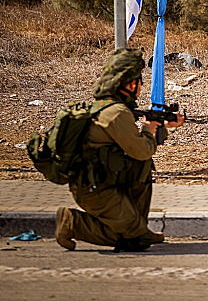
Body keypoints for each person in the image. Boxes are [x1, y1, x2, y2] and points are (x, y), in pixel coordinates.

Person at [55, 48, 184, 252]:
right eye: (139, 80)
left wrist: (164, 128)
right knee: (134, 241)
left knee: (141, 168)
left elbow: (134, 149)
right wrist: (149, 130)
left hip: (103, 183)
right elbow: (142, 149)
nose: (141, 85)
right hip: (96, 189)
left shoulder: (110, 107)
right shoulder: (116, 113)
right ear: (131, 84)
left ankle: (137, 227)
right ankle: (72, 222)